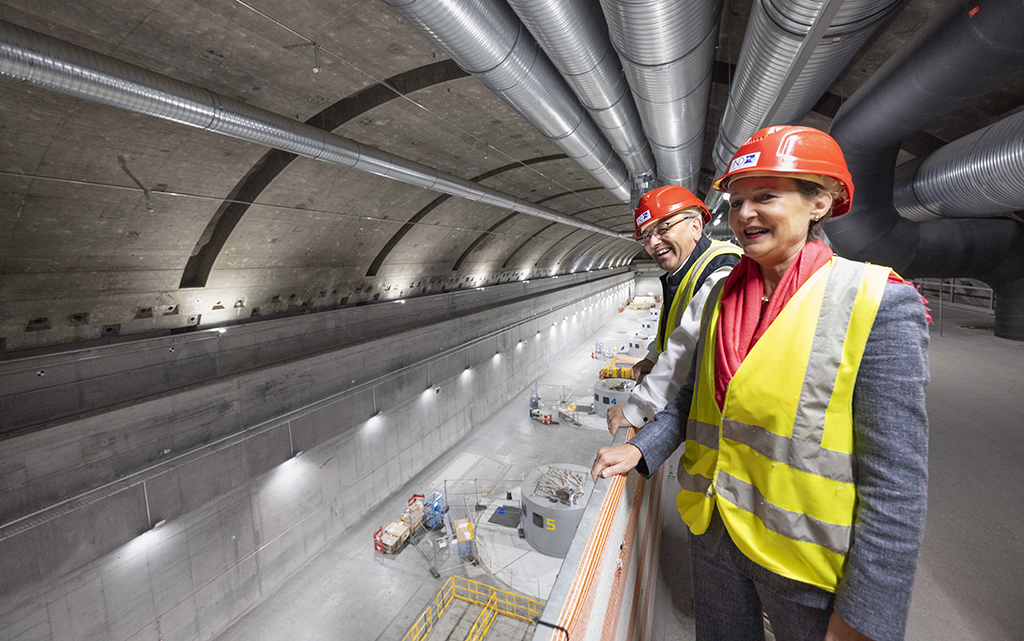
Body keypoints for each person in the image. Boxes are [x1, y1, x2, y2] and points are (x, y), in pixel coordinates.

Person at [591, 126, 930, 641]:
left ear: (821, 201)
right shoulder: (723, 294)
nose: (745, 213)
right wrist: (641, 449)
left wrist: (866, 616)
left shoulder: (876, 303)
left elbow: (896, 481)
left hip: (805, 562)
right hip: (713, 532)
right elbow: (694, 399)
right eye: (736, 201)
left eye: (766, 196)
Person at [606, 186, 741, 436]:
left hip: (712, 421)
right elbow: (674, 326)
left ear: (696, 227)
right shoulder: (681, 273)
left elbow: (686, 346)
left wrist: (635, 409)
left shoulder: (721, 269)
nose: (653, 242)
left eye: (663, 228)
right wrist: (654, 355)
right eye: (646, 235)